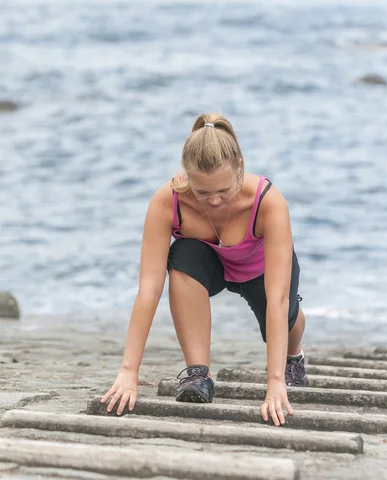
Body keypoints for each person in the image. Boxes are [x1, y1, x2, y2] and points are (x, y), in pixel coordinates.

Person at [101, 113, 306, 427]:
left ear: (239, 166)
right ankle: (198, 374)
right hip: (208, 264)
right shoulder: (166, 201)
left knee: (282, 318)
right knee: (181, 255)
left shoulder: (268, 202)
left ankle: (294, 358)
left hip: (260, 269)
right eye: (202, 193)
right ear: (186, 176)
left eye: (223, 191)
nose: (213, 201)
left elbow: (277, 298)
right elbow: (149, 288)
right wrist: (129, 370)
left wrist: (275, 381)